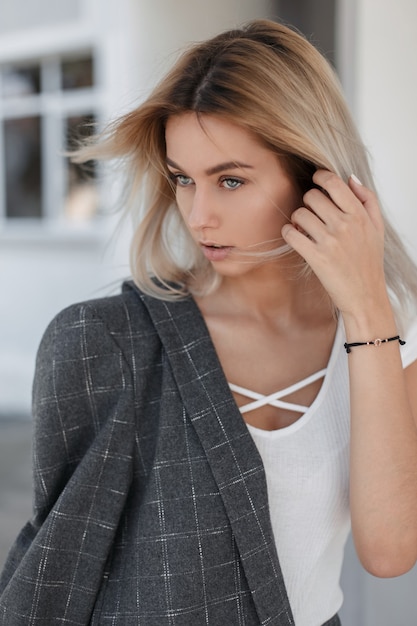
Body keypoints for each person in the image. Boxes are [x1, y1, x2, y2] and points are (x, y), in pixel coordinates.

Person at [1, 19, 417, 626]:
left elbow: (388, 551)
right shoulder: (103, 342)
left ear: (315, 178)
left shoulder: (387, 332)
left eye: (230, 180)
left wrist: (365, 307)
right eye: (182, 180)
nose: (200, 216)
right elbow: (61, 564)